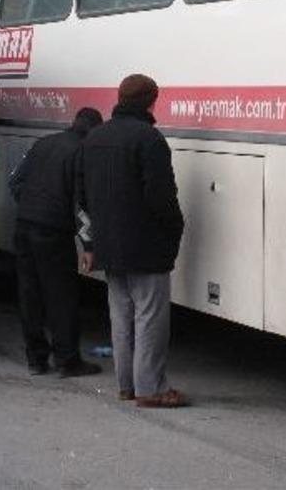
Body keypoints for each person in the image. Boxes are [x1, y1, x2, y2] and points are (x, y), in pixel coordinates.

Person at [77, 74, 186, 408]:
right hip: (145, 246)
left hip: (109, 246)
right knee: (150, 318)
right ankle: (150, 389)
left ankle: (126, 385)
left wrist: (90, 244)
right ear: (151, 101)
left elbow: (82, 198)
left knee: (121, 319)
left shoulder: (94, 138)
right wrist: (174, 228)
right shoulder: (149, 139)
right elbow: (161, 197)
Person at [9, 107, 104, 377]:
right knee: (61, 297)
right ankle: (67, 360)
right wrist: (88, 245)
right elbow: (81, 205)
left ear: (73, 123)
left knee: (30, 295)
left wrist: (30, 206)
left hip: (24, 226)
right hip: (53, 232)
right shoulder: (82, 153)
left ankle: (36, 359)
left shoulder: (42, 144)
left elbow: (14, 180)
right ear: (94, 129)